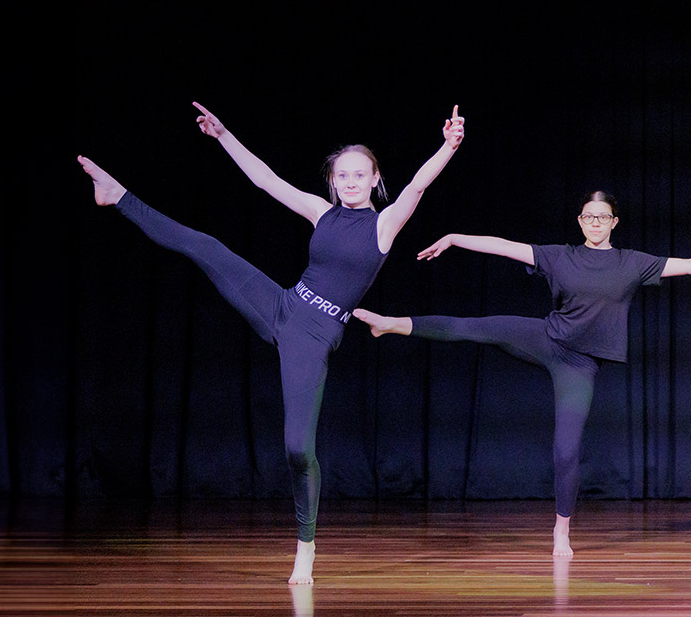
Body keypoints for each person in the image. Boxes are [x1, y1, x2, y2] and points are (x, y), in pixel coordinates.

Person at [78, 102, 467, 584]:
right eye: (341, 174)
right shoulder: (321, 212)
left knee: (297, 449)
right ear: (333, 181)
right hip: (283, 305)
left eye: (358, 175)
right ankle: (117, 196)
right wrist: (223, 135)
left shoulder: (383, 226)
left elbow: (418, 186)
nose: (348, 182)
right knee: (207, 246)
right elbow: (264, 179)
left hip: (315, 335)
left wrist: (447, 146)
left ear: (373, 179)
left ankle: (306, 546)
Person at [352, 191, 691, 556]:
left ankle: (562, 528)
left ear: (614, 222)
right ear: (580, 221)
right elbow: (505, 245)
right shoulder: (559, 256)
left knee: (566, 449)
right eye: (588, 217)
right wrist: (453, 238)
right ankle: (389, 323)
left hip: (579, 364)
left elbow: (688, 264)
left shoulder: (632, 263)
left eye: (603, 217)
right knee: (476, 327)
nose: (595, 223)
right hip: (546, 339)